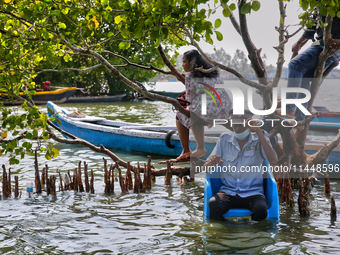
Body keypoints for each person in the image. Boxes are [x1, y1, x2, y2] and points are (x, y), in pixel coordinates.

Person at [206, 109, 278, 222]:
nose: (238, 128)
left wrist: (258, 131)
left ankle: (252, 234)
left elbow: (273, 160)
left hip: (253, 193)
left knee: (261, 209)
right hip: (228, 191)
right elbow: (206, 166)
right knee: (214, 204)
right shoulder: (224, 139)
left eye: (241, 124)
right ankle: (223, 234)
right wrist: (210, 162)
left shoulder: (260, 137)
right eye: (235, 124)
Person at [276, 8, 340, 122]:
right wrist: (299, 43)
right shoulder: (319, 5)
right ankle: (300, 120)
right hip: (321, 45)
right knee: (304, 78)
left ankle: (290, 109)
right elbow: (311, 28)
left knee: (295, 65)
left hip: (331, 48)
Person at [176, 50, 232, 160]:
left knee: (180, 114)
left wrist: (185, 86)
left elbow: (190, 98)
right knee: (195, 116)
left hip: (209, 109)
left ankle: (188, 149)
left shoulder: (190, 76)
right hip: (225, 107)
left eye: (184, 62)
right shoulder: (213, 72)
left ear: (191, 62)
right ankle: (200, 148)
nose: (182, 65)